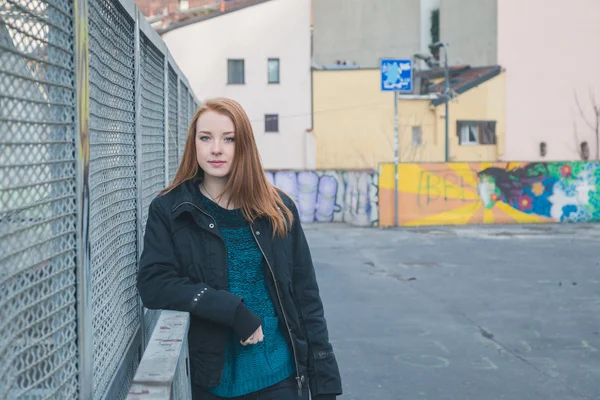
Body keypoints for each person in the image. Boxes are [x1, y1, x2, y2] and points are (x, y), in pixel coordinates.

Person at [137, 97, 342, 400]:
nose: (216, 148)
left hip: (278, 377)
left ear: (243, 145)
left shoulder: (278, 210)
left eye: (228, 139)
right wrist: (230, 309)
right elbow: (154, 283)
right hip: (209, 381)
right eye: (205, 138)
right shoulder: (171, 209)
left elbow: (305, 295)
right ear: (194, 144)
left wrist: (324, 383)